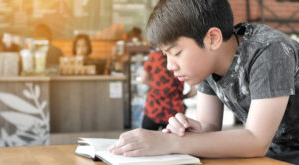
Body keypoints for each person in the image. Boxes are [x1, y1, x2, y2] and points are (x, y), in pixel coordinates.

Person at [108, 0, 299, 163]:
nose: (169, 66)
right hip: (274, 154)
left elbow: (256, 141)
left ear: (212, 38)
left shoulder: (269, 51)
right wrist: (194, 130)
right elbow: (210, 126)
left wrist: (168, 142)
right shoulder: (207, 63)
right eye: (165, 55)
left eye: (176, 53)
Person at [140, 51, 197, 130]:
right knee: (172, 140)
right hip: (174, 112)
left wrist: (158, 86)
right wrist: (182, 96)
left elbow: (143, 79)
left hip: (153, 108)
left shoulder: (154, 56)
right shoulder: (183, 58)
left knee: (146, 139)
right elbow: (195, 90)